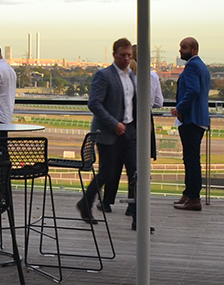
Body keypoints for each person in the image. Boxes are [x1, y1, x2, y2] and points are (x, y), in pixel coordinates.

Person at [76, 38, 137, 222]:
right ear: (114, 55)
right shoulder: (103, 75)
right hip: (109, 133)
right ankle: (86, 203)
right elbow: (94, 103)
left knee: (136, 173)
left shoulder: (132, 75)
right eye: (122, 55)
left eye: (129, 55)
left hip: (130, 132)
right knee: (107, 174)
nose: (126, 59)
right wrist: (114, 124)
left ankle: (138, 219)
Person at [126, 45, 164, 228]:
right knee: (141, 168)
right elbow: (159, 102)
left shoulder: (124, 76)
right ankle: (137, 211)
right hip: (145, 120)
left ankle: (131, 207)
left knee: (131, 165)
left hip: (127, 123)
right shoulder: (153, 76)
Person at [172, 37, 211, 212]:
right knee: (190, 158)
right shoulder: (202, 66)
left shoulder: (192, 66)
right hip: (198, 119)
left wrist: (179, 108)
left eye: (184, 47)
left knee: (191, 160)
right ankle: (188, 194)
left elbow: (193, 90)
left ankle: (193, 197)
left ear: (194, 50)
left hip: (191, 119)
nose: (180, 51)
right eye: (181, 47)